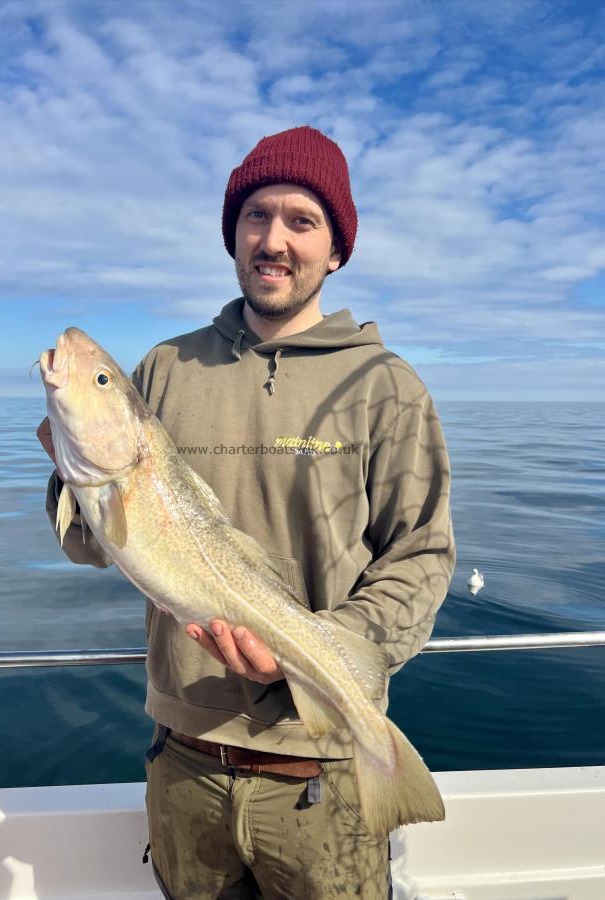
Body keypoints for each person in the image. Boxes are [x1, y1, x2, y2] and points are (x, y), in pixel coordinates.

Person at [37, 125, 455, 899]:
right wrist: (70, 470)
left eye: (302, 221)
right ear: (233, 234)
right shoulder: (163, 368)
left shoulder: (387, 387)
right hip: (184, 759)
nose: (274, 239)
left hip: (320, 775)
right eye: (257, 216)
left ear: (336, 250)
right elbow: (98, 548)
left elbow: (422, 559)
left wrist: (334, 649)